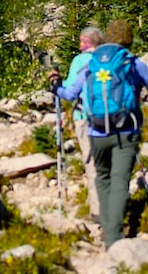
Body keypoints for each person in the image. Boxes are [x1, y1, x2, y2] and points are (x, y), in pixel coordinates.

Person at [49, 19, 148, 247]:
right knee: (119, 181)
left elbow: (69, 94)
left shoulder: (91, 64)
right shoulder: (133, 63)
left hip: (96, 130)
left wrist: (56, 86)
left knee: (102, 178)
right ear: (128, 40)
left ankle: (108, 228)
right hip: (127, 130)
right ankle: (113, 236)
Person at [61, 26, 104, 218]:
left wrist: (55, 84)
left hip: (85, 118)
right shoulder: (110, 58)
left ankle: (98, 212)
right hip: (115, 119)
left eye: (81, 41)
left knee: (93, 164)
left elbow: (70, 90)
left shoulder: (79, 61)